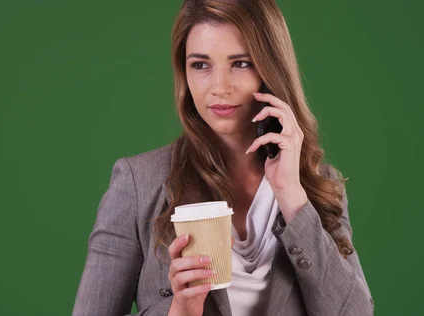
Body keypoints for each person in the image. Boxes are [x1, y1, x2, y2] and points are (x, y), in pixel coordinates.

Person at [72, 0, 373, 315]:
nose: (219, 87)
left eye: (240, 63)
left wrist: (291, 195)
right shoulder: (138, 183)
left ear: (270, 68)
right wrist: (182, 309)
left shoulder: (318, 182)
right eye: (201, 65)